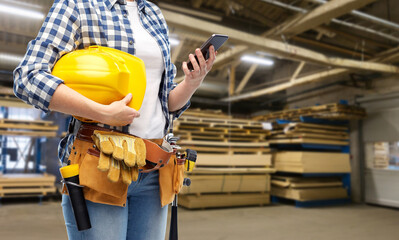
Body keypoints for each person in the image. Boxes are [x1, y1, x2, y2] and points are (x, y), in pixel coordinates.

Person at [13, 0, 216, 239]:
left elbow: (165, 103)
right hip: (102, 164)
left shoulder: (152, 13)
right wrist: (101, 113)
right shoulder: (78, 5)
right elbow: (28, 77)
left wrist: (192, 82)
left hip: (154, 166)